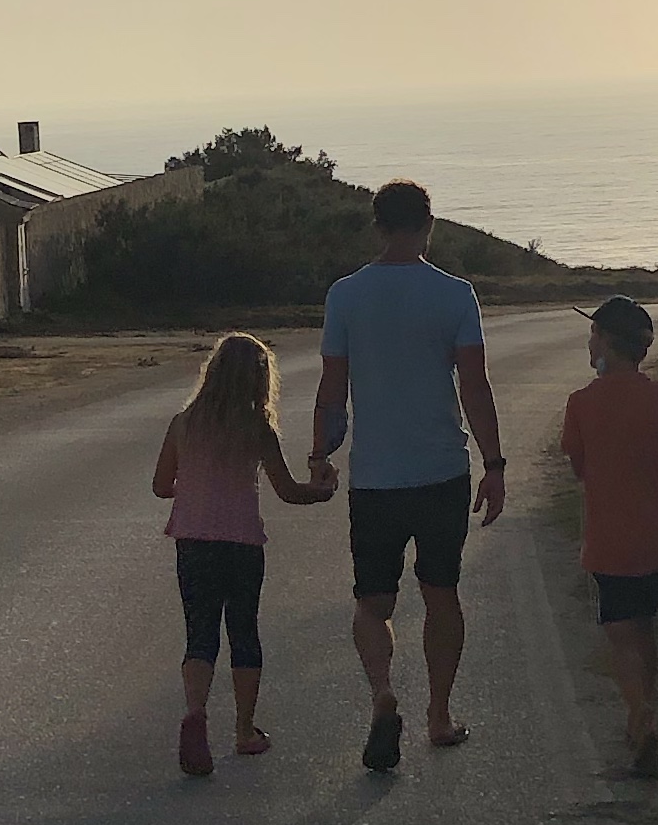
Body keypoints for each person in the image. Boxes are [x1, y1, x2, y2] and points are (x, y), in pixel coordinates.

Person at [311, 178, 505, 774]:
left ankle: (382, 695)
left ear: (377, 226)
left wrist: (319, 455)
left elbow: (332, 389)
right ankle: (439, 716)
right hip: (442, 469)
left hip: (375, 476)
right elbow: (474, 386)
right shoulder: (456, 295)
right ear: (429, 225)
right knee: (441, 594)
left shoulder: (345, 295)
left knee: (373, 602)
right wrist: (494, 463)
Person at [152, 332, 336, 777]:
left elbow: (160, 486)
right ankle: (244, 729)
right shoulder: (257, 429)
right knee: (244, 631)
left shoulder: (183, 423)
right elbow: (287, 491)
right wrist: (322, 491)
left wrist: (194, 490)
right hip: (242, 544)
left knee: (199, 633)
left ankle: (196, 712)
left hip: (194, 541)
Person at [560, 294, 658, 778]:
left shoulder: (581, 403)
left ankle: (640, 717)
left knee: (621, 635)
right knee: (643, 627)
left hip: (609, 538)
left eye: (593, 335)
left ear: (606, 342)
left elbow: (579, 467)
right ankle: (643, 710)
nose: (590, 344)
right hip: (655, 535)